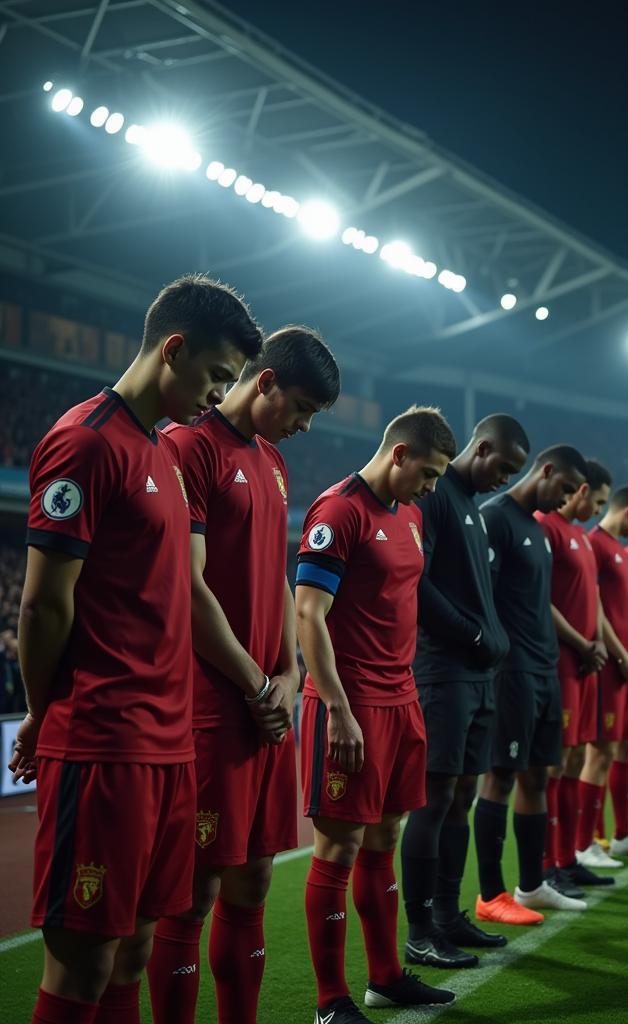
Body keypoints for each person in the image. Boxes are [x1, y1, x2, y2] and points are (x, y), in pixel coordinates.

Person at [9, 274, 263, 1024]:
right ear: (173, 349)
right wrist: (40, 709)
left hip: (171, 747)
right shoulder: (86, 442)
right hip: (104, 747)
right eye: (216, 376)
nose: (220, 395)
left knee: (138, 943)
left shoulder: (162, 455)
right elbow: (42, 602)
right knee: (82, 963)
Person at [147, 326, 340, 1024]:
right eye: (301, 409)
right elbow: (189, 587)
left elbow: (280, 579)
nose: (303, 426)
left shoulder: (274, 463)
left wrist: (288, 673)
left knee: (254, 878)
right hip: (209, 708)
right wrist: (257, 685)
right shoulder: (186, 447)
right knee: (190, 891)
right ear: (265, 383)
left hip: (267, 707)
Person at [295, 406, 458, 1023]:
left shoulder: (411, 515)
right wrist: (336, 707)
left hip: (402, 699)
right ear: (400, 454)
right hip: (351, 704)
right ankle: (330, 1002)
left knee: (383, 840)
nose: (432, 487)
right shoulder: (338, 510)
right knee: (336, 850)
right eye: (430, 472)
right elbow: (307, 613)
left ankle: (386, 976)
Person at [400, 414, 529, 969]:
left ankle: (450, 915)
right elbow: (417, 580)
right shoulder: (434, 495)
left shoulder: (472, 506)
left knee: (462, 798)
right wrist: (474, 632)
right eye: (502, 466)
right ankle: (421, 929)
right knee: (433, 800)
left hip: (478, 676)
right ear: (480, 448)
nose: (503, 478)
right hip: (444, 671)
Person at [474, 445, 590, 925]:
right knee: (500, 775)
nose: (565, 500)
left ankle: (532, 885)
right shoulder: (496, 517)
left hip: (545, 669)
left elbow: (540, 604)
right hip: (513, 672)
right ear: (545, 471)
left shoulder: (537, 529)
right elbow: (483, 595)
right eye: (563, 489)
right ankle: (490, 894)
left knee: (539, 775)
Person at [537, 459, 613, 895]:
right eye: (597, 501)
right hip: (562, 664)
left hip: (586, 663)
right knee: (553, 766)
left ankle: (568, 857)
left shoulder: (581, 538)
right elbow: (540, 599)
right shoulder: (545, 527)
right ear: (581, 490)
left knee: (575, 760)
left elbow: (592, 600)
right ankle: (546, 865)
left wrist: (597, 641)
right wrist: (583, 645)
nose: (598, 511)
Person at [577, 486, 628, 863]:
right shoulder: (596, 544)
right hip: (610, 666)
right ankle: (587, 842)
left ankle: (623, 833)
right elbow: (597, 608)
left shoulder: (622, 553)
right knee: (600, 753)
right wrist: (623, 656)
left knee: (625, 747)